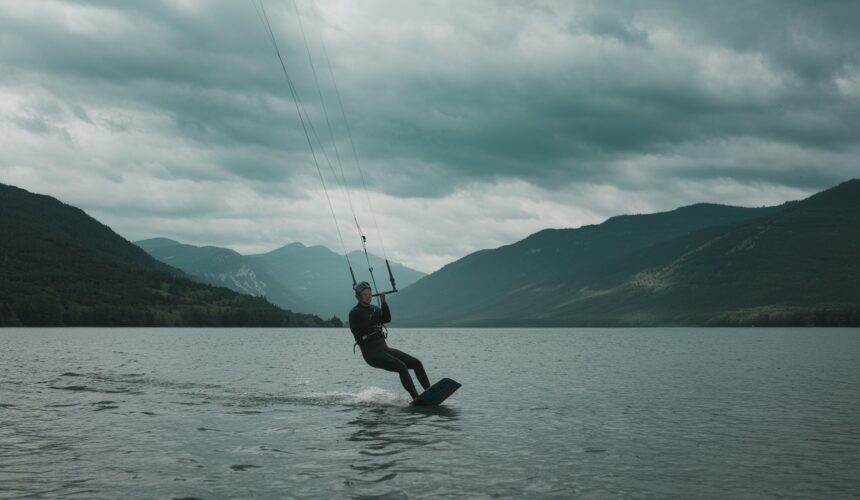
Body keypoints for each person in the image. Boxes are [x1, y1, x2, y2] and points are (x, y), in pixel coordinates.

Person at [349, 281, 430, 400]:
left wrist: (383, 302)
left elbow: (387, 319)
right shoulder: (355, 312)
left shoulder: (375, 309)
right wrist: (374, 313)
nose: (369, 297)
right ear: (358, 297)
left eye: (370, 294)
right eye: (365, 294)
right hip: (372, 354)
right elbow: (366, 321)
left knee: (416, 363)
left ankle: (430, 392)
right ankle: (416, 398)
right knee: (401, 366)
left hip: (384, 349)